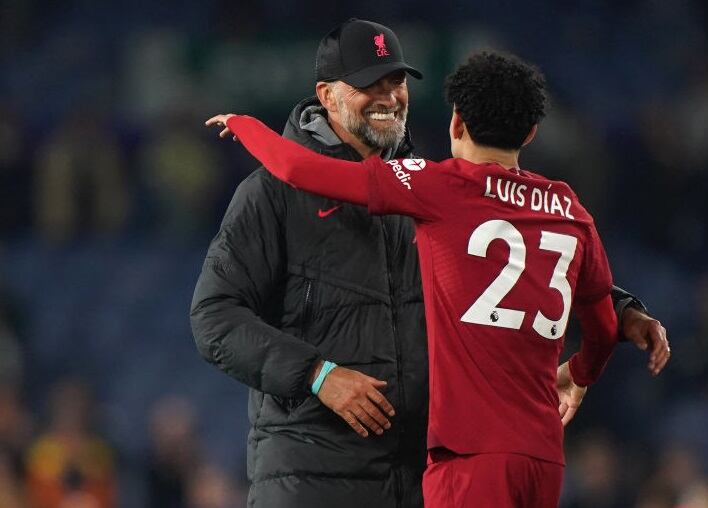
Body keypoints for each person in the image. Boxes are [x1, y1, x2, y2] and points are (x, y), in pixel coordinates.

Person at [192, 18, 669, 508]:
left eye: (396, 81)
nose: (388, 97)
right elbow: (214, 318)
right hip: (314, 479)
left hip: (427, 479)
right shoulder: (271, 195)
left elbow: (525, 264)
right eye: (367, 84)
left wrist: (623, 309)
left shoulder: (436, 189)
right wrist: (316, 373)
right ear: (327, 95)